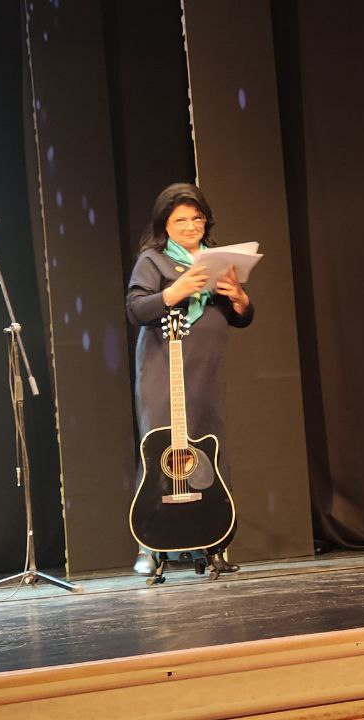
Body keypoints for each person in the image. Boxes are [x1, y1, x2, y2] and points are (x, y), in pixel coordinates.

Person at [126, 183, 253, 574]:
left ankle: (214, 543)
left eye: (196, 218)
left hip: (206, 369)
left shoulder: (217, 258)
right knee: (161, 446)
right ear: (165, 224)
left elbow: (241, 317)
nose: (190, 226)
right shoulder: (154, 260)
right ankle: (149, 548)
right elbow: (136, 309)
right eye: (180, 219)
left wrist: (239, 297)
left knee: (209, 448)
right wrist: (176, 291)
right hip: (164, 365)